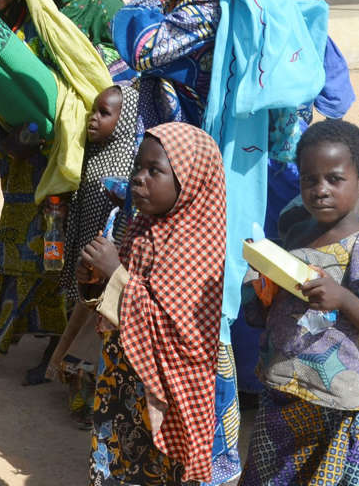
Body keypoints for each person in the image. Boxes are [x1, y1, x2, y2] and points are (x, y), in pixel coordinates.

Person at [114, 0, 328, 484]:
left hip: (190, 174)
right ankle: (203, 444)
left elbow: (147, 48)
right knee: (199, 299)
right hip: (207, 166)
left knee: (191, 305)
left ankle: (203, 450)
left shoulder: (215, 3)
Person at [0, 0, 113, 382]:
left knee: (53, 257)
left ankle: (57, 350)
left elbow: (66, 95)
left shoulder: (42, 33)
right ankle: (31, 331)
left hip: (51, 167)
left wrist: (32, 136)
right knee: (22, 249)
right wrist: (5, 140)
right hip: (16, 167)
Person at [239, 120, 359, 486]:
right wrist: (264, 288)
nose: (320, 190)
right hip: (282, 391)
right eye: (309, 180)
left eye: (334, 179)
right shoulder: (295, 233)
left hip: (337, 405)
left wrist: (343, 297)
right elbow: (274, 317)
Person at [81, 123, 227, 485]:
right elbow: (121, 303)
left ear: (190, 180)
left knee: (155, 472)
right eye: (137, 168)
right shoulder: (142, 227)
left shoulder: (197, 245)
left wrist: (115, 272)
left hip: (164, 389)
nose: (138, 179)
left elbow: (177, 330)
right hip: (122, 378)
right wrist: (95, 282)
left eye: (155, 170)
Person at [50, 83, 140, 422]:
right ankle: (75, 386)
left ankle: (88, 395)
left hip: (108, 258)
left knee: (95, 328)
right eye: (93, 111)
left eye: (105, 113)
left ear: (126, 117)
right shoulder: (90, 154)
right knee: (78, 316)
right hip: (83, 255)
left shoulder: (132, 162)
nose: (93, 119)